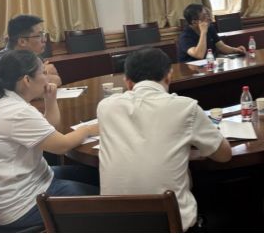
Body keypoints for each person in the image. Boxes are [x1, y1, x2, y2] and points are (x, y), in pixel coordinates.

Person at [97, 47, 232, 231]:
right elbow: (224, 155)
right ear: (169, 76)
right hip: (171, 226)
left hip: (116, 227)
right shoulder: (186, 108)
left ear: (127, 82)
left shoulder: (105, 107)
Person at [0, 51, 100, 230]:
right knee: (105, 199)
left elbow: (50, 129)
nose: (47, 77)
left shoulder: (7, 101)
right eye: (43, 72)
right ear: (27, 80)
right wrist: (87, 129)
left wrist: (50, 99)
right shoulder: (17, 112)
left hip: (32, 181)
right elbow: (62, 146)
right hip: (22, 203)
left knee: (93, 175)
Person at [0, 15, 62, 87]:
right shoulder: (1, 62)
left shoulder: (34, 56)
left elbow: (57, 80)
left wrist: (41, 76)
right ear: (22, 42)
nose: (44, 39)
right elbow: (22, 90)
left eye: (43, 35)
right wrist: (45, 73)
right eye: (39, 35)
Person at [177, 4, 246, 63]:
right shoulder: (184, 37)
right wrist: (203, 32)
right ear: (195, 22)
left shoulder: (209, 28)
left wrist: (236, 50)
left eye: (207, 14)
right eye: (205, 16)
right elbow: (199, 55)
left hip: (208, 66)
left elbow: (221, 47)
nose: (208, 18)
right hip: (190, 71)